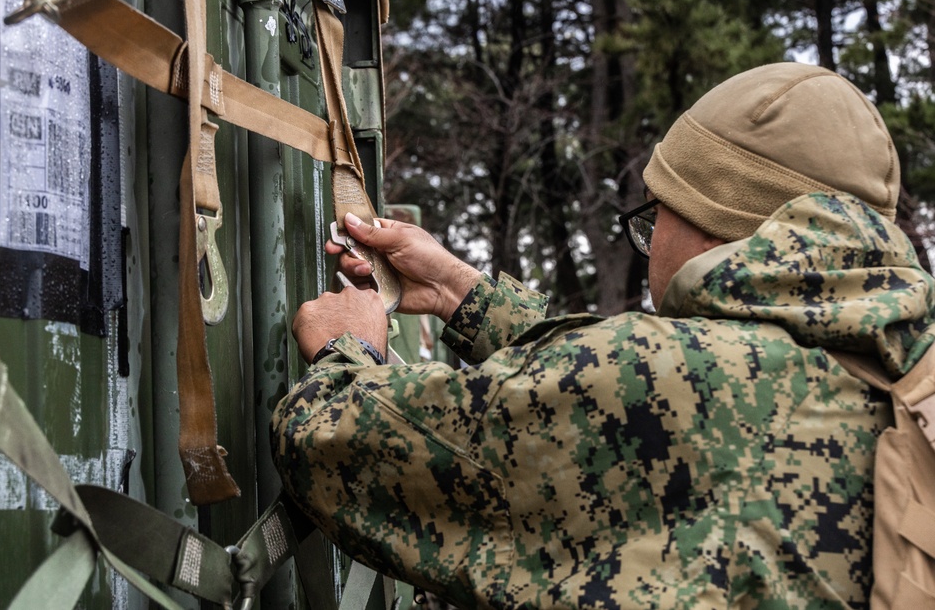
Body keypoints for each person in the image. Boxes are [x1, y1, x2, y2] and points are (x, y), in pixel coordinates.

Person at [270, 62, 935, 608]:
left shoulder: (667, 381)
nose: (650, 244)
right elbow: (646, 406)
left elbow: (328, 444)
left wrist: (345, 347)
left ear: (712, 223)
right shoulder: (898, 365)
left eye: (654, 217)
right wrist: (461, 294)